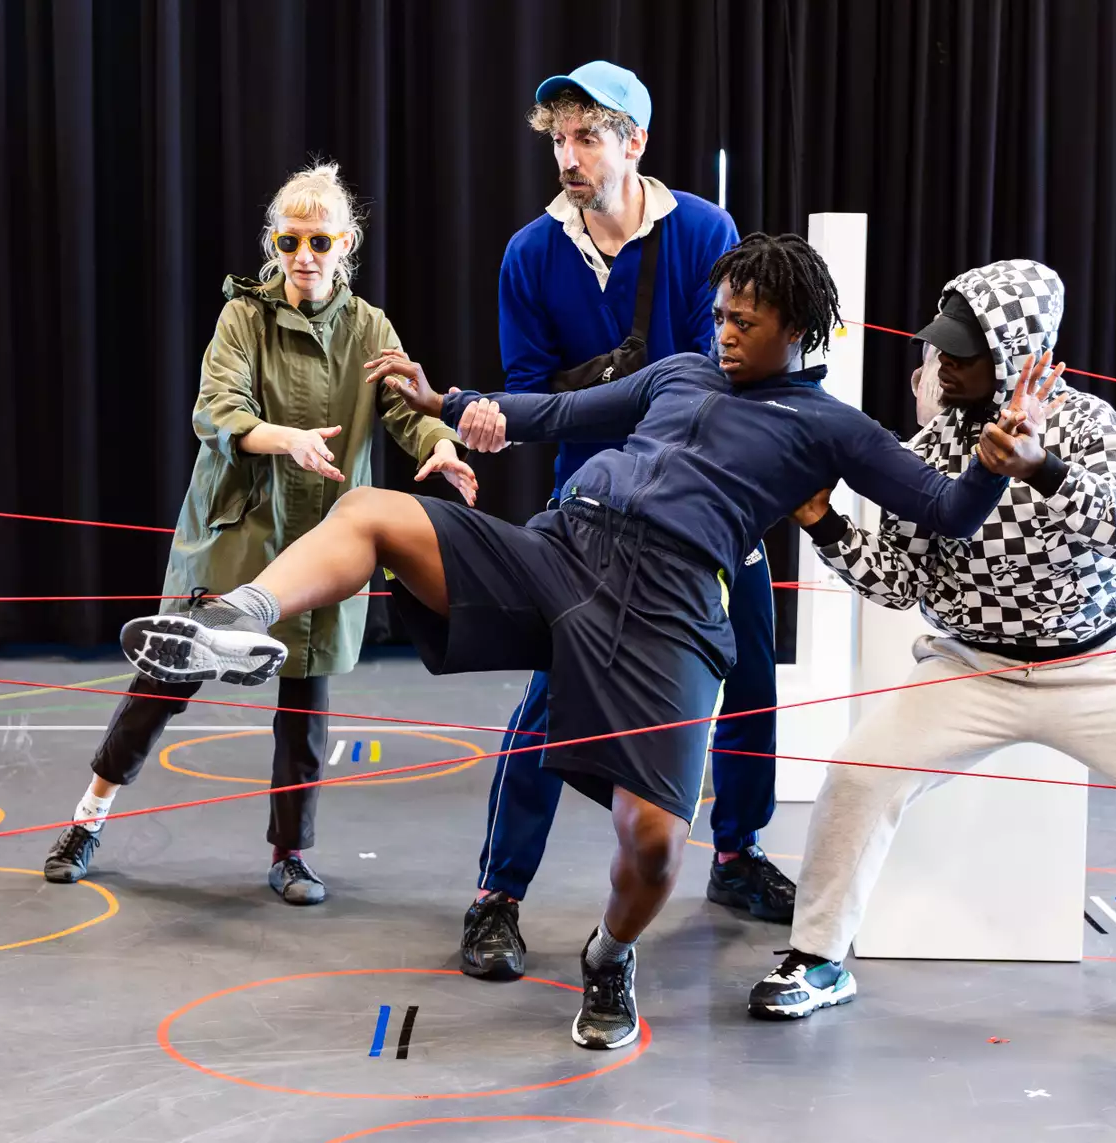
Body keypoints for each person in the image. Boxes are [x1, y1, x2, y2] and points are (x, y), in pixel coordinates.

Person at [113, 234, 1060, 1050]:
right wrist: (451, 400)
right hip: (565, 549)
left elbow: (942, 509)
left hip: (672, 613)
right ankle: (231, 621)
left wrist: (997, 463)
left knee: (653, 846)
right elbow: (560, 415)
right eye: (721, 313)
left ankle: (610, 955)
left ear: (798, 332)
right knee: (370, 512)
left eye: (745, 321)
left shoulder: (830, 428)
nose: (724, 331)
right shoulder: (683, 372)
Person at [745, 259, 1116, 1040]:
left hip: (1102, 667)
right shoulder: (930, 448)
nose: (944, 366)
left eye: (964, 352)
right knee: (859, 777)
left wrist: (1045, 470)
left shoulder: (1090, 427)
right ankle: (818, 959)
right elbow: (898, 585)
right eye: (940, 349)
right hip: (971, 667)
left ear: (1016, 352)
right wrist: (823, 521)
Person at [42, 162, 477, 904]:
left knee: (305, 705)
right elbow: (216, 408)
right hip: (237, 529)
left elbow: (405, 409)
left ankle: (290, 854)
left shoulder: (370, 327)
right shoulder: (242, 317)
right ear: (273, 244)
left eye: (319, 240)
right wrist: (285, 439)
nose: (303, 254)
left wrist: (439, 440)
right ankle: (87, 818)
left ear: (346, 245)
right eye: (289, 239)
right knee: (163, 682)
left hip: (325, 543)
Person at [463, 60, 790, 985]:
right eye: (558, 139)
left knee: (753, 674)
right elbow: (531, 399)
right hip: (589, 512)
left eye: (587, 137)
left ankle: (735, 855)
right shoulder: (531, 254)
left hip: (714, 509)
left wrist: (587, 393)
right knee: (542, 708)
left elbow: (712, 385)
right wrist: (513, 408)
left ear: (634, 142)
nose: (568, 157)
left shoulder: (704, 232)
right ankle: (497, 896)